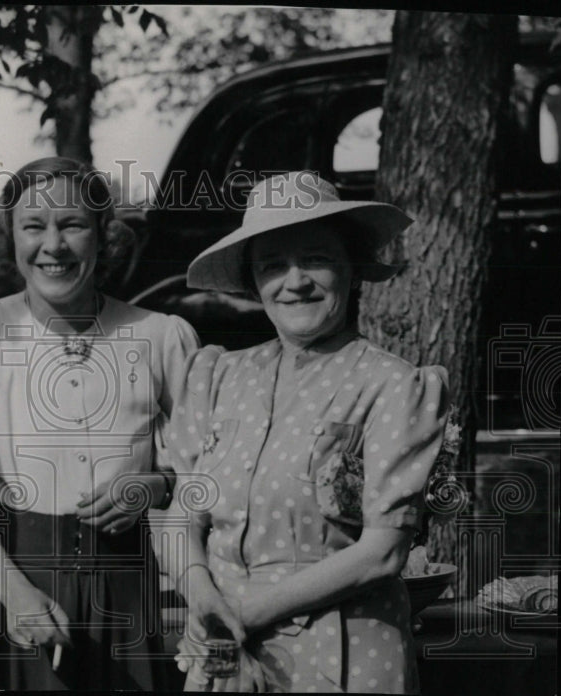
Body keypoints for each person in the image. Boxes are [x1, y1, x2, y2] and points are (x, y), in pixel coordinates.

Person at [164, 171, 450, 693]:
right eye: (273, 265)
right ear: (254, 282)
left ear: (353, 270)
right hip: (227, 656)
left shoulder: (390, 386)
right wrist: (201, 595)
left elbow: (383, 551)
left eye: (315, 258)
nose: (294, 281)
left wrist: (241, 614)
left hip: (344, 659)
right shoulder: (216, 377)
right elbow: (182, 517)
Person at [0, 157, 200, 690]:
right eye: (34, 226)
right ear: (9, 237)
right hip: (14, 583)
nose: (53, 246)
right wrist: (10, 589)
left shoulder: (161, 336)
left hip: (128, 588)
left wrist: (155, 485)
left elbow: (203, 475)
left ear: (104, 235)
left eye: (73, 225)